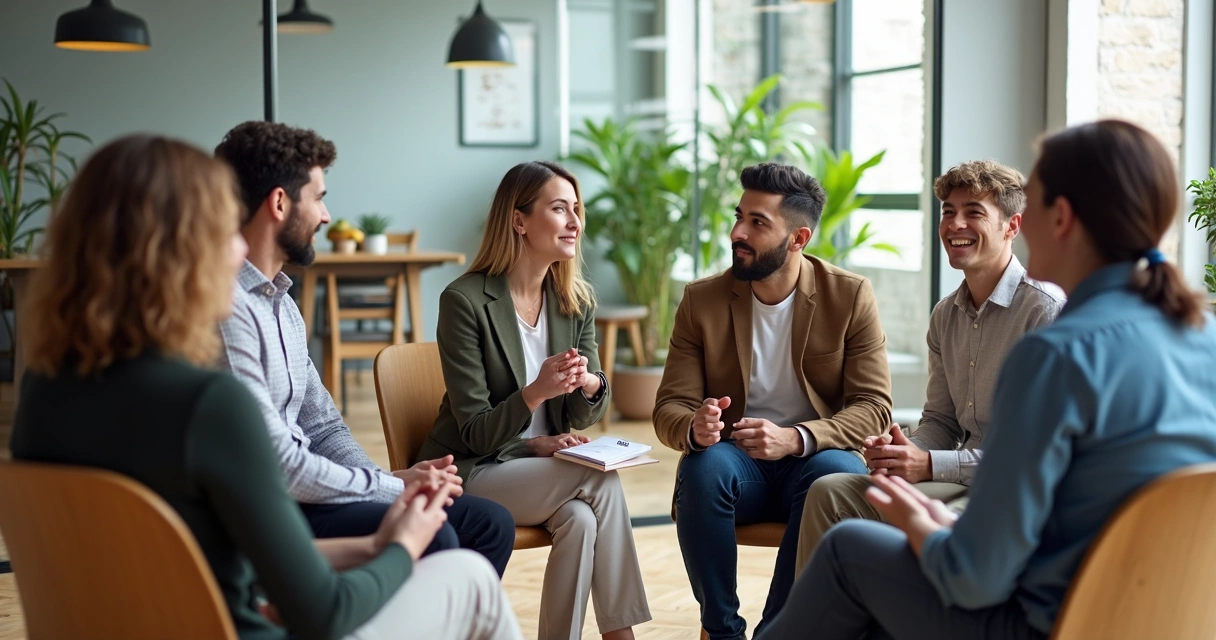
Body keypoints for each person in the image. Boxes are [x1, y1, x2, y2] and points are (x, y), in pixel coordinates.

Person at [10, 134, 522, 640]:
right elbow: (324, 612)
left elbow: (199, 553)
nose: (236, 246)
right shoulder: (209, 405)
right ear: (183, 251)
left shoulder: (39, 392)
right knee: (470, 577)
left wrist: (373, 540)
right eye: (219, 229)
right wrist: (400, 546)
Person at [758, 119, 1216, 640]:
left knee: (849, 553)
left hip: (1050, 621)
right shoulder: (1205, 336)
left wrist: (925, 529)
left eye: (1032, 203)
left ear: (1058, 217)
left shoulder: (1057, 352)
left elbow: (974, 579)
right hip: (1164, 619)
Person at [213, 121, 514, 576]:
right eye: (319, 197)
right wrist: (386, 487)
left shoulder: (283, 307)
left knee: (489, 523)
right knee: (436, 533)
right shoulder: (229, 311)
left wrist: (386, 483)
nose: (327, 216)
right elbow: (278, 466)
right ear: (279, 203)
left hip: (310, 495)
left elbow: (322, 425)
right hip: (273, 510)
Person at [653, 162, 893, 639]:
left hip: (813, 460)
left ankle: (777, 631)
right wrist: (694, 427)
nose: (738, 232)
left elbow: (873, 406)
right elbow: (669, 408)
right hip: (738, 466)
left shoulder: (848, 296)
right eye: (739, 216)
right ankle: (722, 631)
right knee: (703, 468)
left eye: (758, 223)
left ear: (798, 238)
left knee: (835, 473)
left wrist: (796, 437)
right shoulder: (702, 301)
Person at [416, 160, 651, 640]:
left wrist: (591, 386)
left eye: (576, 210)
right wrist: (536, 394)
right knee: (601, 484)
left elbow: (588, 412)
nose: (575, 222)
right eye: (559, 208)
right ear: (519, 220)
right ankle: (621, 636)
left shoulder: (575, 301)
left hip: (546, 472)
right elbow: (474, 431)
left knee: (583, 522)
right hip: (474, 468)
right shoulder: (463, 301)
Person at [796, 160, 1063, 570]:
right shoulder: (945, 316)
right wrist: (903, 452)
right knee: (828, 491)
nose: (955, 224)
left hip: (1013, 494)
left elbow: (1032, 456)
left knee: (932, 535)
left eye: (974, 212)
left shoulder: (1044, 313)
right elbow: (942, 420)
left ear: (1012, 226)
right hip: (957, 479)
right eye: (948, 212)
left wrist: (929, 464)